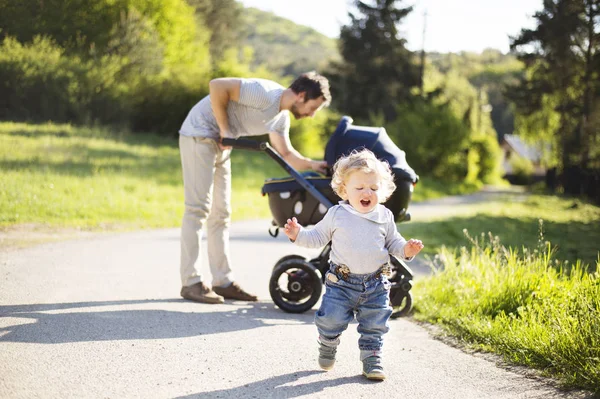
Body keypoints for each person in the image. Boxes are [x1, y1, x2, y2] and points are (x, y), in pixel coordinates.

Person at [178, 72, 331, 304]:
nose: (311, 115)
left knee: (221, 213)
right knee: (197, 209)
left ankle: (223, 282)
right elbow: (217, 86)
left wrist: (315, 165)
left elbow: (287, 154)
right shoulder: (266, 93)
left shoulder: (280, 118)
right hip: (199, 134)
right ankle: (191, 283)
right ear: (301, 95)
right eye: (313, 107)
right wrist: (226, 129)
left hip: (221, 145)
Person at [283, 149, 424, 380]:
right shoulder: (337, 214)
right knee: (331, 319)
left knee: (374, 324)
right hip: (341, 283)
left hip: (376, 283)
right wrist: (297, 234)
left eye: (374, 188)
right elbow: (316, 237)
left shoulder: (384, 216)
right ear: (344, 189)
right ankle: (328, 343)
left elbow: (394, 243)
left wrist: (407, 250)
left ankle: (372, 360)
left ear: (384, 191)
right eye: (359, 188)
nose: (367, 192)